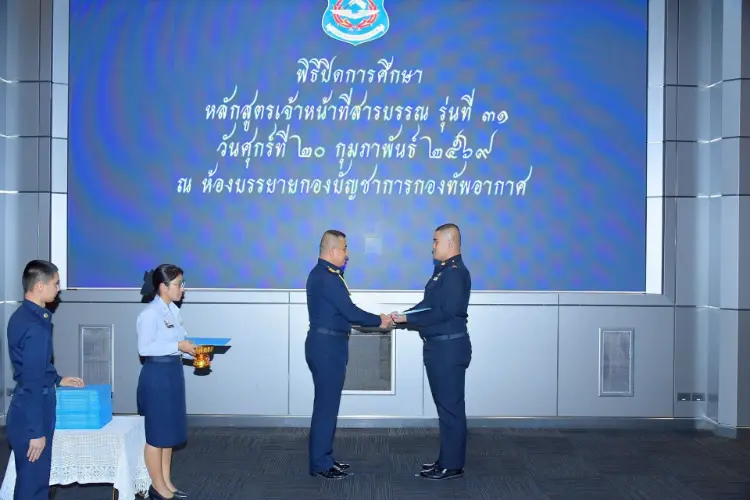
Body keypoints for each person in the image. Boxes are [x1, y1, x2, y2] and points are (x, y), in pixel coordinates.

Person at [305, 229, 391, 479]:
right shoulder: (327, 277)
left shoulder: (325, 274)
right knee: (326, 407)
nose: (347, 253)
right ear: (332, 251)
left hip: (328, 345)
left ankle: (324, 457)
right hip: (327, 347)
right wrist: (379, 320)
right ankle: (321, 464)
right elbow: (351, 312)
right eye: (344, 249)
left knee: (327, 405)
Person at [391, 223, 472, 480]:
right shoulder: (443, 272)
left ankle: (452, 465)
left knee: (450, 408)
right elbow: (428, 304)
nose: (432, 246)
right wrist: (403, 316)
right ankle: (446, 460)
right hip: (439, 347)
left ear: (450, 243)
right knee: (445, 407)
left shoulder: (456, 273)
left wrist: (408, 319)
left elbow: (444, 312)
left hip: (448, 348)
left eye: (436, 241)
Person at [6, 260, 85, 500]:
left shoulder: (23, 316)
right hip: (33, 410)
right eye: (56, 283)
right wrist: (36, 432)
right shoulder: (35, 325)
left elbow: (34, 368)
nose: (58, 289)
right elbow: (32, 381)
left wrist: (57, 379)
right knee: (33, 487)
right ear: (40, 286)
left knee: (32, 482)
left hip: (26, 406)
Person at [136, 264, 196, 499]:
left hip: (172, 374)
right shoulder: (149, 314)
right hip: (157, 377)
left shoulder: (173, 311)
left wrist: (194, 352)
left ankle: (166, 482)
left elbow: (178, 343)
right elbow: (145, 348)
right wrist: (177, 345)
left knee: (168, 433)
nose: (183, 288)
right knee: (156, 435)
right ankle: (157, 487)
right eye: (179, 284)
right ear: (163, 287)